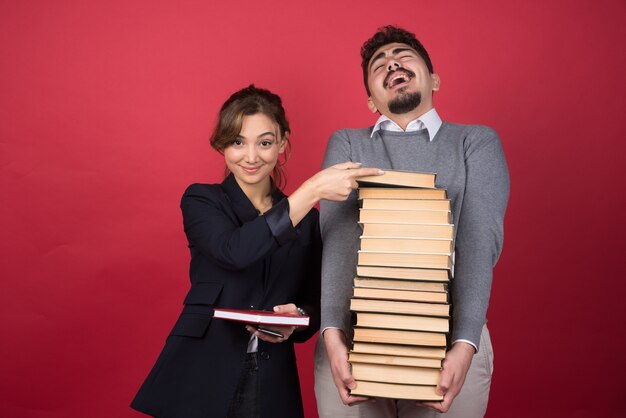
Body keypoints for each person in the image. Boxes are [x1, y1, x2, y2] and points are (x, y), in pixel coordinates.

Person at [131, 85, 382, 418]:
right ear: (221, 144)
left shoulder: (307, 221)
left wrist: (296, 320)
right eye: (238, 142)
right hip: (202, 367)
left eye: (264, 143)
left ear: (281, 143)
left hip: (271, 373)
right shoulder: (202, 200)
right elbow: (234, 251)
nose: (251, 157)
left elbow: (318, 300)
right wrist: (309, 192)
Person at [314, 26, 510, 418]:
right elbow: (337, 241)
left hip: (450, 339)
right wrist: (333, 335)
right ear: (371, 100)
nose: (392, 63)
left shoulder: (476, 142)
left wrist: (465, 342)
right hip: (355, 341)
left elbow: (477, 242)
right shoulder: (349, 142)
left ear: (434, 79)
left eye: (403, 55)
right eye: (378, 64)